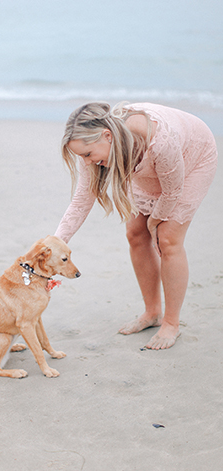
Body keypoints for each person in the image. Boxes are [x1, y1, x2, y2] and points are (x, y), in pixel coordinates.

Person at [54, 102, 217, 350]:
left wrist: (154, 222)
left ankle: (171, 324)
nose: (86, 163)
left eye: (88, 155)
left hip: (192, 157)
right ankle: (152, 313)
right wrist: (56, 243)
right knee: (135, 234)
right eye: (82, 157)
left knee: (168, 238)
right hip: (144, 164)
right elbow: (81, 201)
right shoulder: (96, 148)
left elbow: (172, 191)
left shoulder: (159, 140)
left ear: (107, 136)